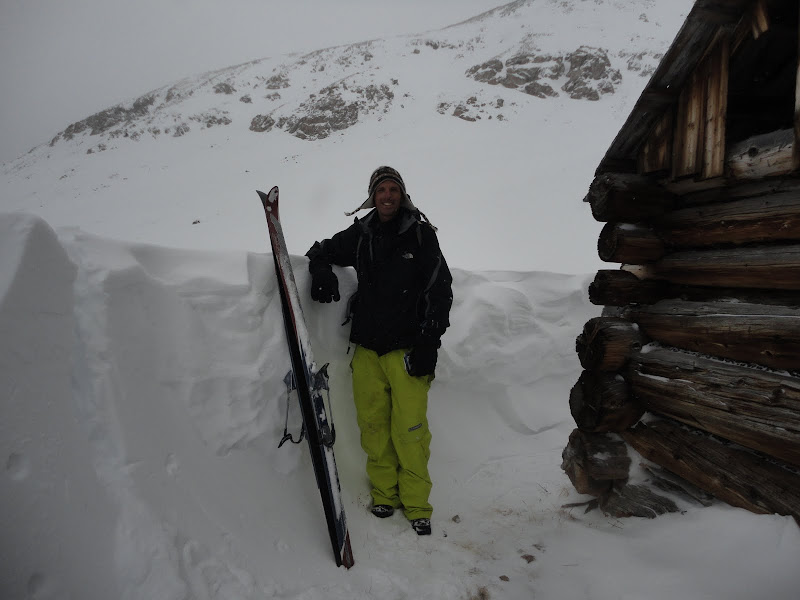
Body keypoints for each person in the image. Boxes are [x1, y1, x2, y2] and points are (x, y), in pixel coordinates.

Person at [305, 166, 453, 536]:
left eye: (393, 190)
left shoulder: (420, 234)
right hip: (368, 350)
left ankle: (417, 504)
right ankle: (385, 494)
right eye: (381, 190)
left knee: (410, 430)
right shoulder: (362, 233)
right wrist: (321, 270)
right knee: (373, 428)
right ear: (372, 196)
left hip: (407, 351)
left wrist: (429, 344)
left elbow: (439, 290)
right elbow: (321, 250)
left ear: (402, 195)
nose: (387, 196)